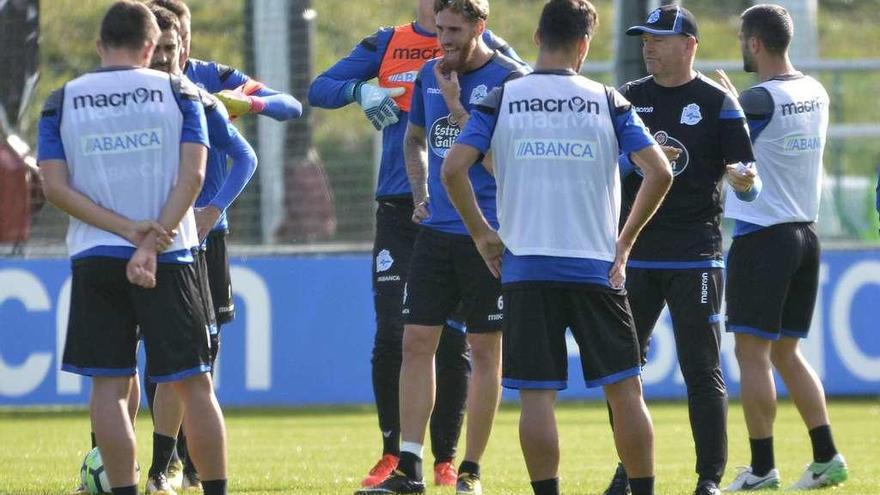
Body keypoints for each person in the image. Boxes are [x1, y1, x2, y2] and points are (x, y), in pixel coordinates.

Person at [442, 1, 672, 493]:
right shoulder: (607, 99)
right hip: (595, 267)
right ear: (584, 44)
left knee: (537, 399)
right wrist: (625, 242)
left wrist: (483, 233)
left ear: (537, 37)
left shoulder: (504, 97)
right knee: (626, 392)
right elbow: (660, 170)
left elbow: (452, 168)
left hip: (526, 267)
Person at [308, 0, 523, 487]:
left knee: (476, 348)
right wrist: (421, 192)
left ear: (478, 25)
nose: (442, 38)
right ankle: (404, 459)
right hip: (422, 224)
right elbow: (408, 136)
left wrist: (456, 107)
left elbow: (505, 163)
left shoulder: (508, 74)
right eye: (438, 26)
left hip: (486, 231)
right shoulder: (412, 59)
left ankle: (464, 465)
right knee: (405, 339)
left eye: (452, 29)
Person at [37, 2, 228, 495]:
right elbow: (195, 175)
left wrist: (125, 231)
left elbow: (54, 188)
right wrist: (153, 237)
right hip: (172, 254)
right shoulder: (180, 91)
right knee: (194, 384)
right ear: (150, 47)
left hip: (97, 255)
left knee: (108, 385)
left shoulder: (63, 99)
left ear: (100, 46)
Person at [141, 1, 302, 490]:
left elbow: (290, 106)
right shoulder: (133, 86)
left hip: (202, 237)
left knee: (200, 351)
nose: (175, 49)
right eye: (165, 41)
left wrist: (246, 103)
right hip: (148, 233)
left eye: (180, 39)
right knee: (154, 353)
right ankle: (152, 459)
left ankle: (186, 461)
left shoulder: (211, 82)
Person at [600, 6, 760, 495]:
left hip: (696, 255)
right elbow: (607, 172)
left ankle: (708, 478)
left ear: (689, 44)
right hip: (636, 255)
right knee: (624, 371)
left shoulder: (717, 103)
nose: (647, 47)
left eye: (659, 39)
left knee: (701, 368)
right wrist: (642, 166)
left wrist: (743, 182)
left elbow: (749, 185)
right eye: (644, 39)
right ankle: (630, 471)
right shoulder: (627, 99)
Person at [714, 3, 848, 491]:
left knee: (752, 355)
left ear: (754, 43)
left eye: (741, 39)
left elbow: (732, 137)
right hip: (805, 236)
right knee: (788, 353)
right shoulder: (815, 90)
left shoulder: (758, 99)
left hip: (763, 235)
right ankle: (826, 455)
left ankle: (763, 468)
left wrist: (731, 105)